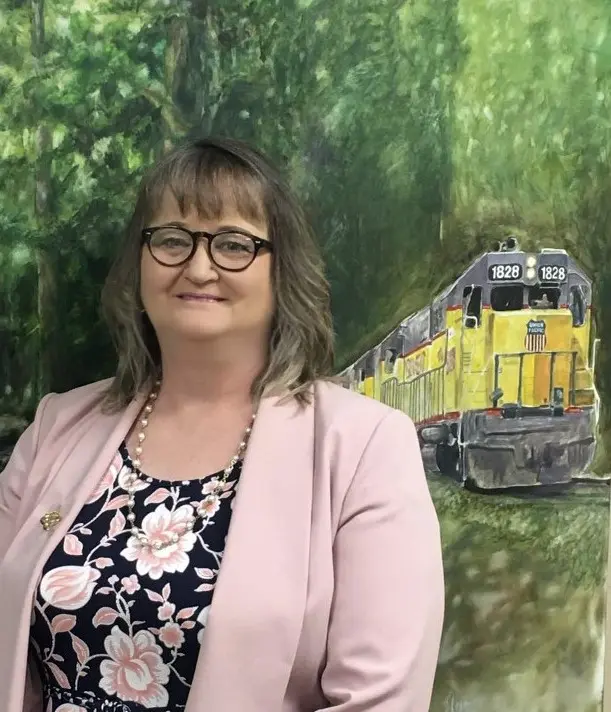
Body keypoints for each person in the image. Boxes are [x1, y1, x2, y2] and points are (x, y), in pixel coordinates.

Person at [0, 137, 445, 712]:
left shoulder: (363, 447)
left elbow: (380, 700)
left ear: (282, 272)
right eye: (172, 239)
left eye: (235, 243)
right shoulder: (57, 428)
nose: (199, 265)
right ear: (139, 262)